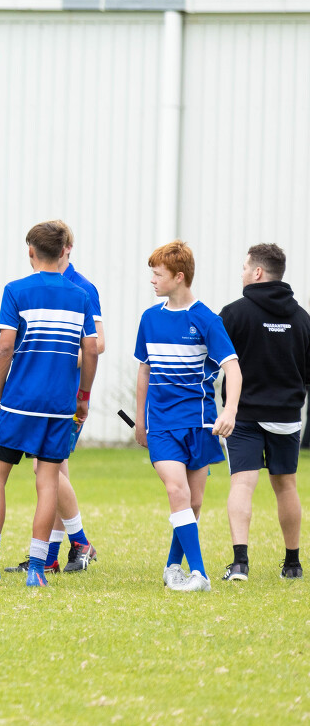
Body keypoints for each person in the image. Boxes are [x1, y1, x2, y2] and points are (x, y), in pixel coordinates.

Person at [0, 222, 97, 588]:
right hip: (60, 406)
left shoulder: (16, 290)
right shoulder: (80, 295)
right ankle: (37, 568)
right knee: (48, 482)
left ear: (31, 251)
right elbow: (91, 350)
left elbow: (4, 347)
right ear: (63, 251)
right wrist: (82, 397)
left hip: (21, 403)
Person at [132, 240, 242, 592]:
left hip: (200, 423)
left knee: (193, 503)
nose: (152, 280)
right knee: (176, 491)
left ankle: (172, 567)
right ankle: (199, 574)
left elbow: (233, 369)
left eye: (158, 274)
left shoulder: (206, 319)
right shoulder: (149, 319)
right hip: (162, 424)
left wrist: (230, 410)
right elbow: (144, 370)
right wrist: (140, 420)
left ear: (178, 277)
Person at [7, 226, 104, 574]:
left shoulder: (82, 288)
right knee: (55, 470)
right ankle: (50, 556)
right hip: (42, 395)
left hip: (66, 395)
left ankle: (80, 541)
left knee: (44, 468)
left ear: (68, 248)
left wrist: (55, 357)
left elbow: (97, 344)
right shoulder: (34, 287)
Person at [219, 243, 309, 581]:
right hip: (287, 418)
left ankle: (240, 563)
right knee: (286, 486)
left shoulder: (234, 314)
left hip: (243, 415)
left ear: (257, 272)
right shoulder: (302, 318)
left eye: (245, 267)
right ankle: (293, 564)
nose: (241, 273)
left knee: (243, 484)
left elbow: (215, 362)